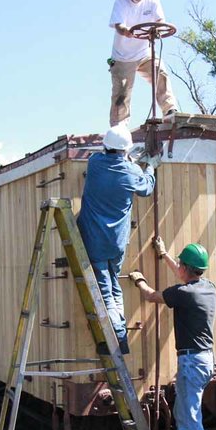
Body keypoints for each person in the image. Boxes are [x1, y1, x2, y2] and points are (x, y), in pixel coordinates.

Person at [129, 237, 216, 430]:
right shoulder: (208, 288)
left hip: (192, 362)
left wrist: (138, 279)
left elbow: (151, 296)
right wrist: (165, 254)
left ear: (185, 268)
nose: (177, 266)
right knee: (185, 417)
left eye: (179, 264)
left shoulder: (183, 294)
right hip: (202, 360)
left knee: (189, 422)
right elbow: (181, 279)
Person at [77, 125, 159, 354]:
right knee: (114, 287)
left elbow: (111, 158)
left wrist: (130, 160)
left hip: (94, 241)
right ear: (126, 150)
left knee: (105, 291)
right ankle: (120, 333)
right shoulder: (131, 173)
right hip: (117, 241)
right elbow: (146, 188)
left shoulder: (94, 163)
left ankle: (118, 338)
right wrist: (150, 167)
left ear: (106, 145)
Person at [108, 0, 178, 127]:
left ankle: (169, 110)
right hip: (123, 56)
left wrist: (158, 29)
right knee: (122, 92)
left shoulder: (152, 0)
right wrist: (127, 31)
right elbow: (119, 25)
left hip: (144, 53)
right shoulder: (121, 2)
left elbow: (160, 20)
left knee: (160, 72)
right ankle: (119, 127)